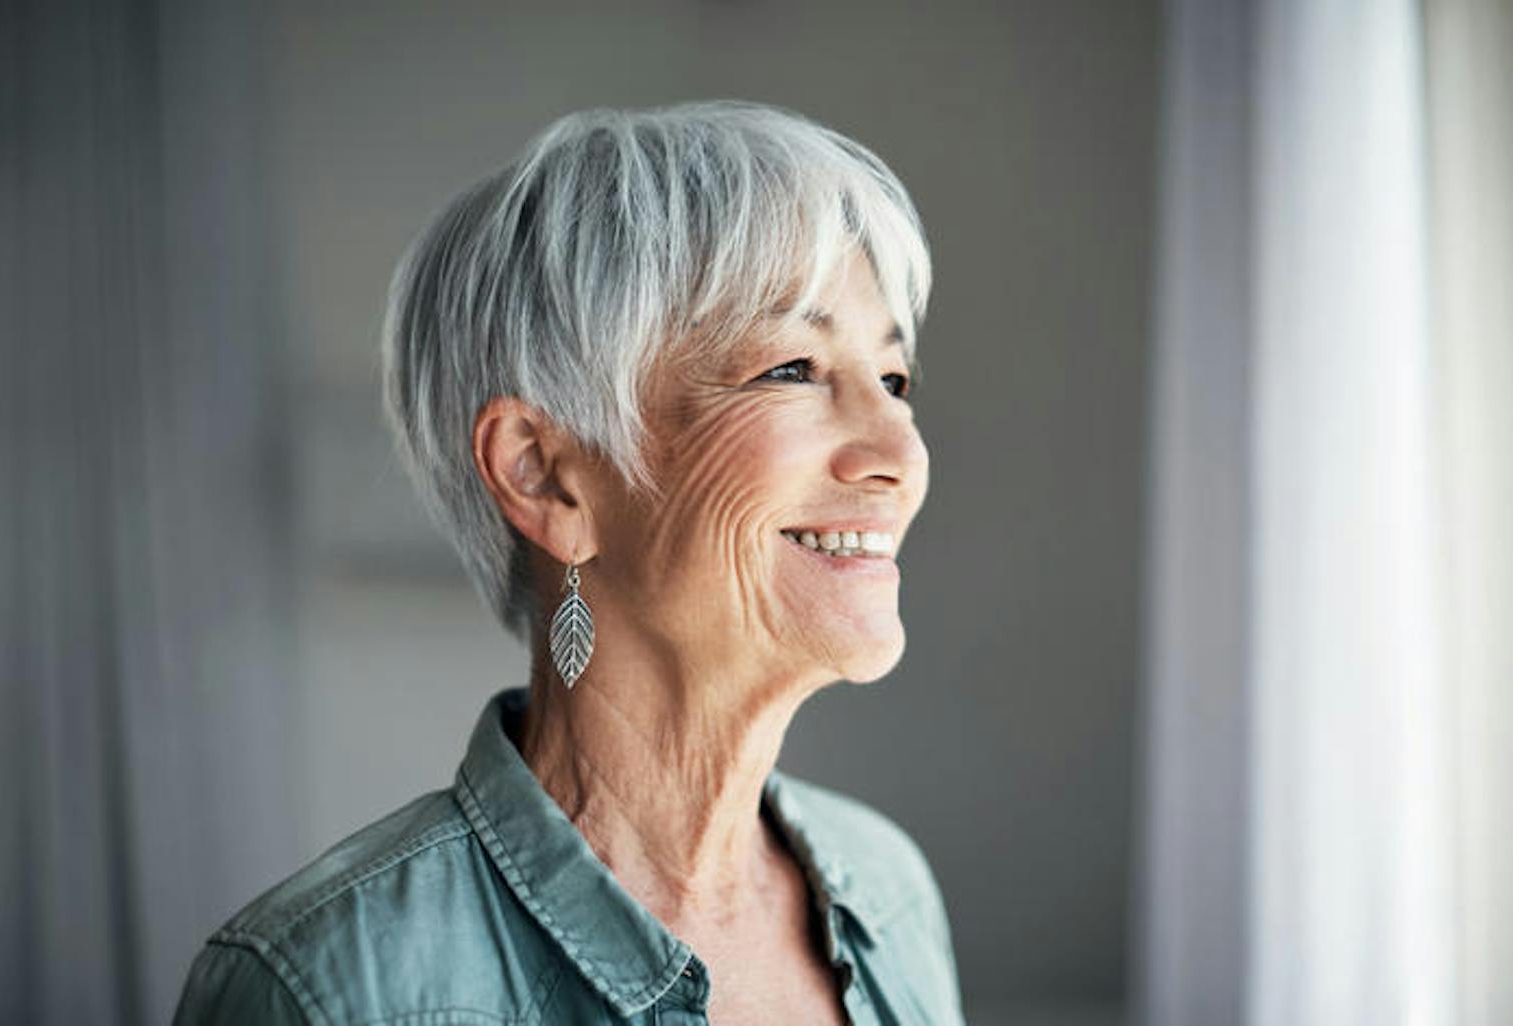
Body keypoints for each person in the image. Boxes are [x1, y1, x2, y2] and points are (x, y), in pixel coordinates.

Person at [174, 99, 963, 1025]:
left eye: (894, 380)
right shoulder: (327, 988)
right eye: (793, 367)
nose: (901, 454)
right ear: (544, 476)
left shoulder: (889, 892)